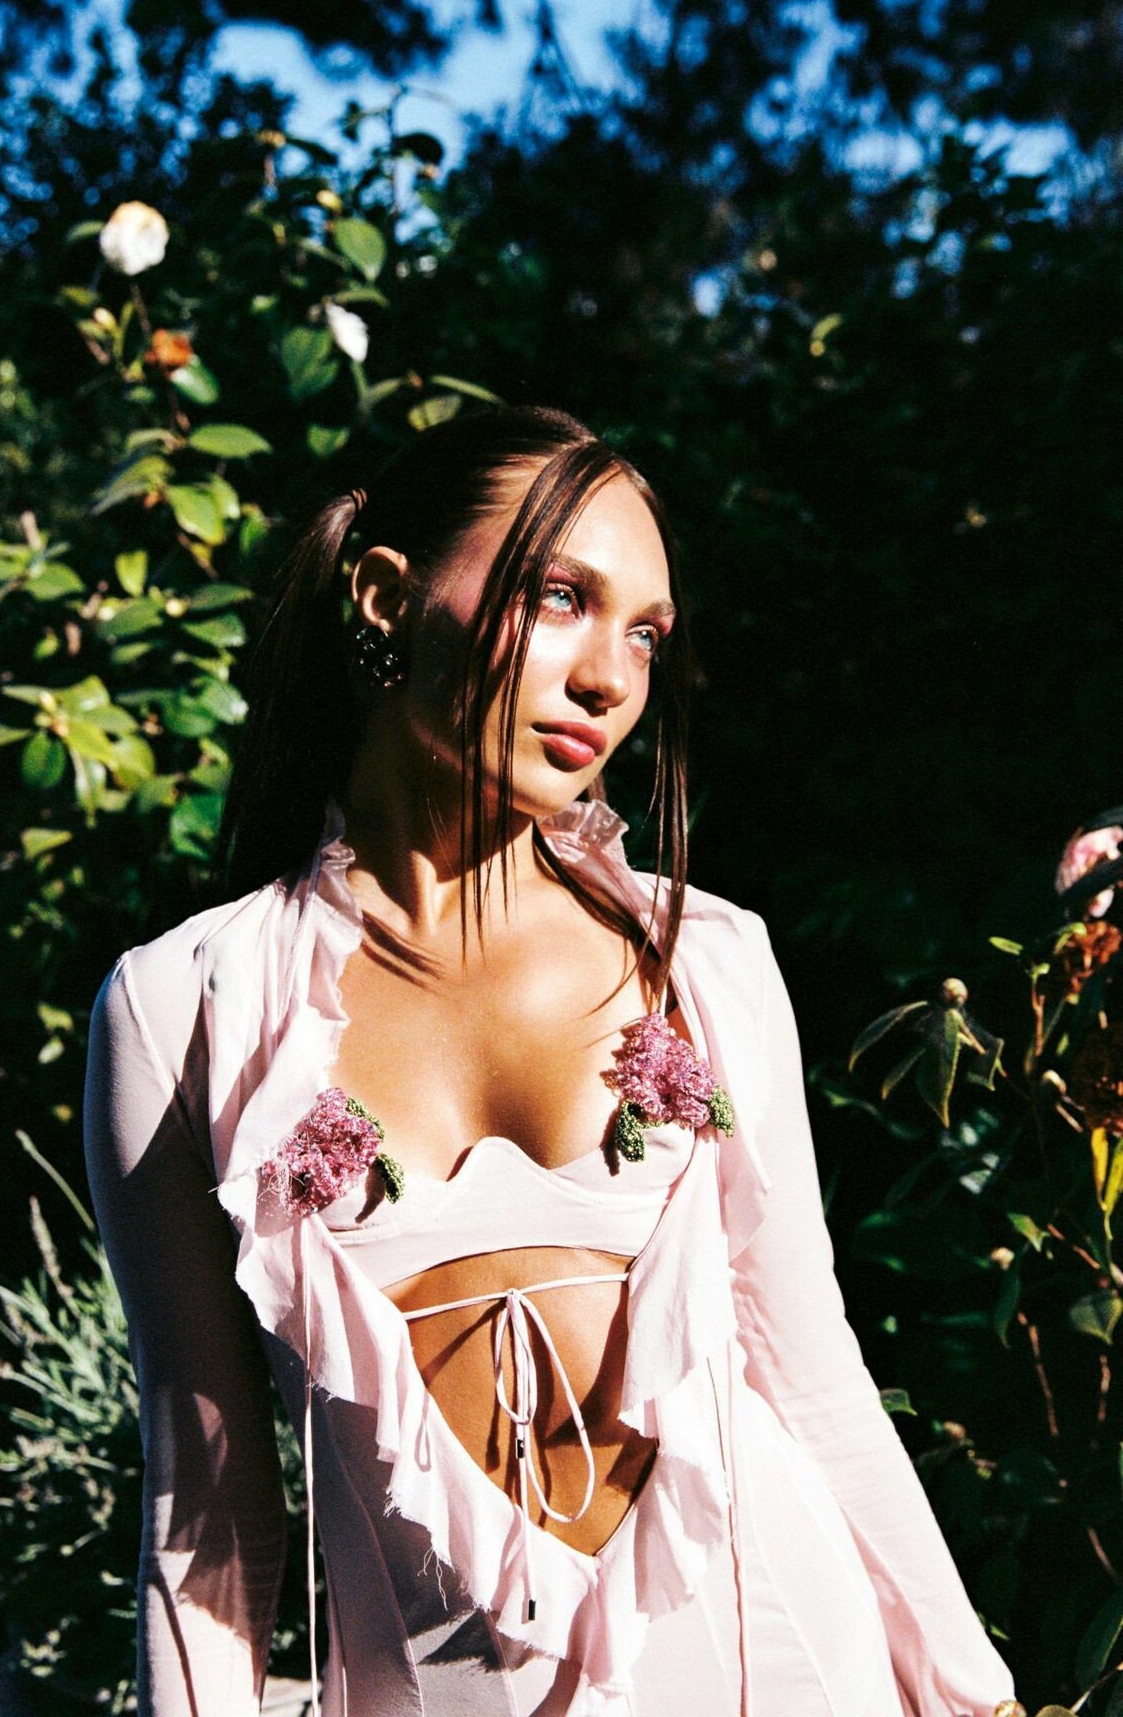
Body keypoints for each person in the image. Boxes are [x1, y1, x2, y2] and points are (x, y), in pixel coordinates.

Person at [83, 407, 1020, 1717]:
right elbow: (208, 1504)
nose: (609, 677)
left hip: (786, 1665)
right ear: (386, 597)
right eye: (563, 597)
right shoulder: (185, 1009)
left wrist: (975, 1694)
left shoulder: (706, 962)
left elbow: (811, 1372)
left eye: (646, 634)